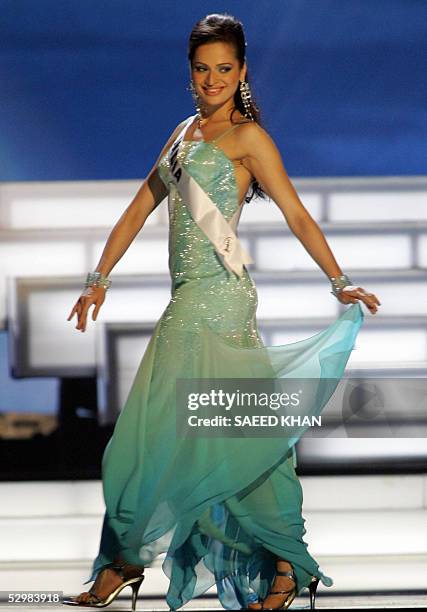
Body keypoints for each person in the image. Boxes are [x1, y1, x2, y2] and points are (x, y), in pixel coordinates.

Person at [63, 12, 380, 612]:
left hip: (223, 301)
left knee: (220, 434)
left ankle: (272, 562)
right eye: (203, 70)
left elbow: (297, 214)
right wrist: (98, 279)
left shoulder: (249, 137)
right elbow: (136, 210)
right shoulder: (182, 135)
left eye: (225, 69)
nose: (213, 80)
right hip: (186, 301)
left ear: (242, 72)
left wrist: (340, 282)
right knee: (177, 438)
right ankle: (137, 561)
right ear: (190, 74)